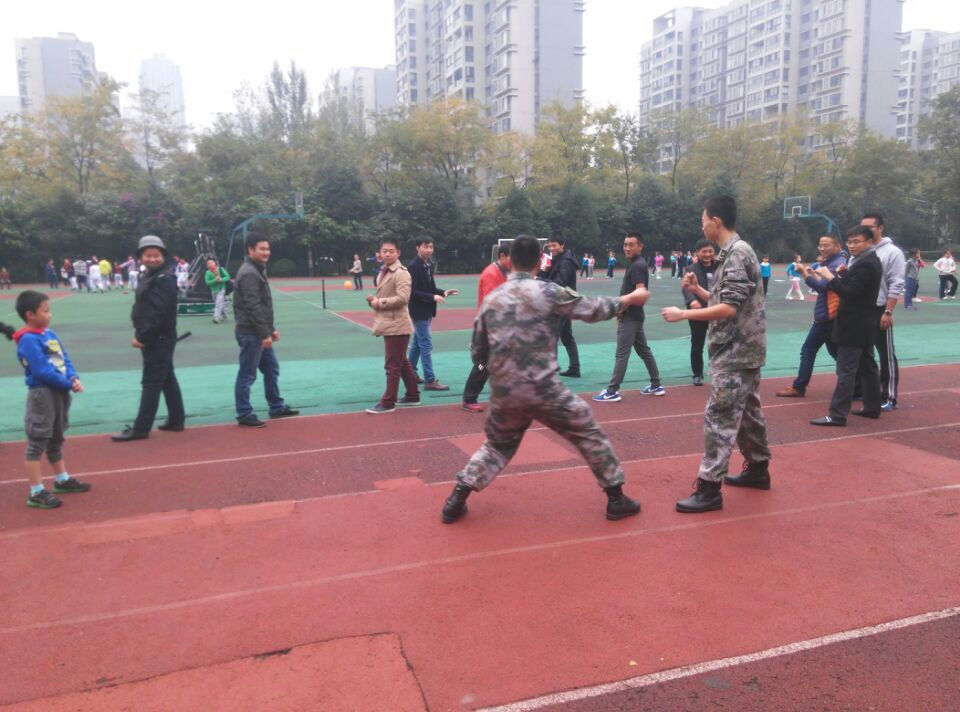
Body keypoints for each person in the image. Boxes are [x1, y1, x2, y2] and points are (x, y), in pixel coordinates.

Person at [440, 236, 649, 525]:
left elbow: (477, 348)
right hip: (543, 389)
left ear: (510, 261)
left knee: (497, 445)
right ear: (540, 261)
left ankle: (457, 498)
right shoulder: (549, 291)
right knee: (588, 432)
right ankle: (616, 498)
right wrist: (630, 299)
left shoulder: (493, 299)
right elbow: (592, 308)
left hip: (505, 391)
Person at [662, 196, 771, 513]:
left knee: (719, 418)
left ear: (716, 221)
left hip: (735, 351)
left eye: (703, 221)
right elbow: (727, 299)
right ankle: (759, 468)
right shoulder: (735, 253)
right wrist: (698, 291)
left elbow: (729, 308)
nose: (702, 227)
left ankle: (709, 488)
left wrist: (684, 314)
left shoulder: (737, 254)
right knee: (748, 414)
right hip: (743, 348)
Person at [12, 290, 90, 509]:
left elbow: (64, 359)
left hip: (60, 391)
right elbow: (41, 371)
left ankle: (61, 479)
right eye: (45, 311)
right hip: (42, 394)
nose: (50, 315)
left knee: (56, 437)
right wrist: (67, 384)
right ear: (30, 315)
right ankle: (36, 491)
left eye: (49, 310)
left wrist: (73, 377)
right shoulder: (28, 340)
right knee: (38, 440)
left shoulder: (49, 334)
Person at [112, 236, 187, 441]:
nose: (152, 259)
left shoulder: (164, 278)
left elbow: (159, 313)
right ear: (140, 257)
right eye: (148, 255)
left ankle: (141, 428)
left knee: (151, 381)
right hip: (156, 336)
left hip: (157, 337)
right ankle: (176, 420)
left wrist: (142, 337)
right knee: (167, 378)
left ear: (163, 257)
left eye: (156, 255)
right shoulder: (149, 276)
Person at [809, 226, 883, 426]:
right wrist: (844, 275)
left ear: (869, 242)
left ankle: (837, 415)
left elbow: (850, 294)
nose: (852, 245)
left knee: (846, 371)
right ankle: (872, 407)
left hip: (854, 324)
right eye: (849, 242)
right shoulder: (863, 261)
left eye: (857, 241)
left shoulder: (867, 264)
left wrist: (831, 277)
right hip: (863, 322)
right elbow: (855, 288)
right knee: (867, 366)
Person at [233, 234, 299, 427]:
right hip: (251, 333)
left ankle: (276, 407)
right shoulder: (249, 273)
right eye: (262, 249)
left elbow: (262, 306)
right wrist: (264, 334)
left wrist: (271, 329)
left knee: (271, 369)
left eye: (267, 249)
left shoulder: (256, 269)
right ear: (250, 250)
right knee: (247, 374)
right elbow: (252, 306)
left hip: (259, 331)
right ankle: (244, 413)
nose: (266, 252)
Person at [593, 232, 664, 402]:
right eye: (625, 244)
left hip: (630, 316)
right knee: (644, 351)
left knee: (622, 353)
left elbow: (640, 292)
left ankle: (612, 391)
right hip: (635, 315)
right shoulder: (635, 263)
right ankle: (656, 384)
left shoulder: (637, 265)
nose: (627, 248)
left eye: (631, 244)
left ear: (640, 246)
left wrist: (621, 309)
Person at [776, 236, 847, 398]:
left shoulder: (837, 265)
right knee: (836, 353)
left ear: (838, 246)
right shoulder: (831, 262)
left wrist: (804, 274)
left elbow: (822, 287)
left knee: (808, 350)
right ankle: (856, 383)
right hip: (828, 315)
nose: (822, 248)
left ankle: (799, 386)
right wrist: (813, 274)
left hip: (828, 316)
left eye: (826, 245)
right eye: (820, 245)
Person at [365, 236, 421, 414]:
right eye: (384, 251)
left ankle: (388, 402)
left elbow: (403, 298)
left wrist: (378, 303)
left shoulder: (401, 273)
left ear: (398, 253)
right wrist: (374, 301)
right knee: (401, 361)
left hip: (397, 324)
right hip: (389, 322)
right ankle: (413, 395)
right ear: (379, 254)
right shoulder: (383, 271)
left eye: (391, 251)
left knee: (392, 364)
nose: (387, 254)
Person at [858, 213, 904, 411]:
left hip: (880, 309)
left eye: (870, 226)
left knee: (885, 354)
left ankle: (889, 397)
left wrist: (888, 311)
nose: (866, 230)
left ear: (880, 228)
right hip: (862, 310)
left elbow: (896, 283)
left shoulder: (892, 252)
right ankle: (867, 392)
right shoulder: (861, 250)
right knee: (862, 353)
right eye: (863, 227)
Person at [461, 246, 511, 412]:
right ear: (503, 256)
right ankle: (469, 399)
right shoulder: (492, 274)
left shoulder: (505, 272)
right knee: (483, 365)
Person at [407, 237, 458, 391]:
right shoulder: (413, 266)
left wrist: (443, 292)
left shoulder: (427, 264)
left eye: (431, 247)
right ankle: (429, 380)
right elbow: (412, 291)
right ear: (418, 248)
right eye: (425, 247)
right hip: (418, 311)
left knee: (417, 343)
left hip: (426, 310)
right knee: (426, 344)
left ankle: (410, 374)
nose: (429, 250)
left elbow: (429, 288)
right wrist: (432, 297)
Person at [540, 233, 581, 377]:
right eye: (550, 246)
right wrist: (543, 272)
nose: (552, 248)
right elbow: (552, 278)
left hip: (563, 302)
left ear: (562, 245)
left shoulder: (566, 262)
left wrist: (539, 279)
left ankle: (551, 372)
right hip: (563, 302)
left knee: (552, 337)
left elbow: (559, 283)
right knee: (567, 336)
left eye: (554, 245)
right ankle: (574, 368)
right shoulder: (557, 259)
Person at [680, 239, 719, 386]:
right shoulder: (691, 269)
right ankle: (697, 374)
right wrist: (691, 301)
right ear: (697, 253)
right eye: (704, 251)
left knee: (719, 343)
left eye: (710, 251)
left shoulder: (720, 267)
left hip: (718, 310)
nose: (708, 254)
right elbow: (685, 287)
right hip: (698, 312)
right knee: (697, 344)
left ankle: (718, 371)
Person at [204, 258, 230, 323]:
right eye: (208, 264)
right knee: (219, 303)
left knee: (218, 303)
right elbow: (207, 282)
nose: (210, 264)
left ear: (215, 264)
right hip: (213, 290)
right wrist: (215, 280)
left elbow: (227, 277)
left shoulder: (221, 269)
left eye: (211, 263)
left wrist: (222, 279)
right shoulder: (207, 273)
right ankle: (224, 315)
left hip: (221, 289)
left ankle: (216, 317)